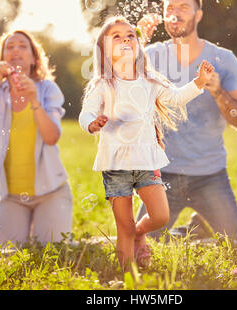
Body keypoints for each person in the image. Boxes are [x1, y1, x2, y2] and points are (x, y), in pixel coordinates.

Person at [78, 16, 214, 270]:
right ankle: (128, 277)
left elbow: (175, 98)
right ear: (104, 49)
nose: (125, 39)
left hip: (146, 160)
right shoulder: (102, 84)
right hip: (116, 163)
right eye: (116, 36)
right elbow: (86, 112)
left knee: (161, 216)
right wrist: (91, 123)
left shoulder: (151, 81)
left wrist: (198, 83)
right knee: (124, 226)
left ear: (138, 45)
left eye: (130, 35)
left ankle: (140, 233)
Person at [136, 0, 237, 241]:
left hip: (210, 176)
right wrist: (135, 44)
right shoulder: (149, 55)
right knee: (140, 244)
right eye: (170, 8)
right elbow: (114, 91)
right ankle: (190, 231)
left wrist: (218, 91)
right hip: (162, 176)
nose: (175, 13)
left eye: (184, 7)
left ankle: (235, 226)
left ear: (198, 14)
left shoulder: (223, 59)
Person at [0, 30, 72, 247]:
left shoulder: (47, 89)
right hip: (10, 195)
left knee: (54, 252)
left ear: (34, 59)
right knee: (6, 257)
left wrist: (34, 100)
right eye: (10, 46)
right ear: (2, 57)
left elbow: (51, 137)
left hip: (50, 192)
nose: (15, 50)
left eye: (23, 46)